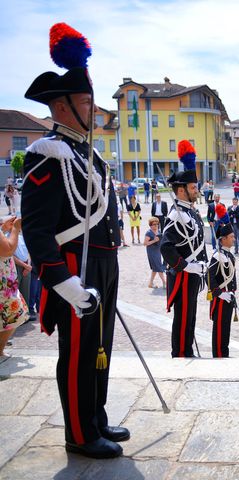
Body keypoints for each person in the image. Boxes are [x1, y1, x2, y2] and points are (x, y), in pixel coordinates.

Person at [22, 23, 126, 458]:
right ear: (61, 108)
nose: (94, 111)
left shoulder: (89, 155)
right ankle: (79, 434)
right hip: (74, 265)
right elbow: (37, 229)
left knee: (100, 349)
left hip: (102, 261)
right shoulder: (47, 154)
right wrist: (62, 282)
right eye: (86, 104)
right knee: (79, 353)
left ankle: (96, 418)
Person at [160, 140, 208, 358]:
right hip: (183, 276)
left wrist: (203, 265)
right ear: (181, 191)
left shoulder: (190, 212)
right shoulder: (176, 215)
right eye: (193, 187)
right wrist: (187, 267)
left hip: (194, 274)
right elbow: (166, 248)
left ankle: (187, 349)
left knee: (191, 316)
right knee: (183, 317)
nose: (196, 190)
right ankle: (180, 353)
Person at [0, 216, 28, 357]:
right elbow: (8, 249)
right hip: (3, 286)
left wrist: (3, 229)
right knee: (15, 313)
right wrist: (16, 228)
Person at [208, 220, 237, 358]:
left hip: (228, 296)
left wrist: (232, 292)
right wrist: (219, 294)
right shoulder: (217, 256)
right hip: (220, 298)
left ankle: (224, 353)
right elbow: (209, 277)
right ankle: (219, 355)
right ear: (223, 239)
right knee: (219, 329)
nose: (233, 239)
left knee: (226, 328)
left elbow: (231, 277)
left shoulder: (229, 255)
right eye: (231, 237)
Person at [144, 217, 166, 289]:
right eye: (154, 224)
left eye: (157, 224)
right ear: (150, 225)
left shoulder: (159, 231)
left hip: (158, 252)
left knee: (155, 268)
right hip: (152, 252)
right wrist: (154, 241)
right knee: (159, 267)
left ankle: (150, 283)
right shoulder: (148, 233)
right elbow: (145, 243)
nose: (156, 225)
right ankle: (165, 283)